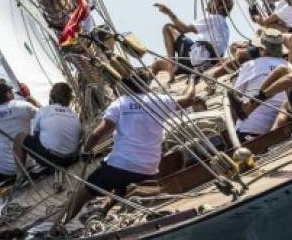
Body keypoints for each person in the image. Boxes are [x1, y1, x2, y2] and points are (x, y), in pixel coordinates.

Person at [53, 71, 196, 230]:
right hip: (150, 166)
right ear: (146, 83)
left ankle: (59, 227)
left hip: (123, 165)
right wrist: (191, 79)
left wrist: (86, 151)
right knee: (119, 181)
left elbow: (99, 132)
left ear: (124, 85)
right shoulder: (159, 100)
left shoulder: (120, 103)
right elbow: (189, 98)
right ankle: (104, 210)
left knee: (83, 193)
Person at [151, 0, 233, 82]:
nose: (209, 1)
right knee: (157, 64)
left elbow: (184, 28)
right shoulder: (224, 26)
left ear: (219, 5)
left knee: (168, 28)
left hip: (197, 59)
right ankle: (172, 66)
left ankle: (171, 71)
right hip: (202, 63)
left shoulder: (214, 18)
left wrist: (169, 12)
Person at [230, 29, 291, 138]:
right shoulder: (289, 66)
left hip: (251, 130)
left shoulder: (251, 65)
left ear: (262, 49)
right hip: (284, 126)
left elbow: (235, 96)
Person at [14, 82, 82, 172]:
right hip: (73, 158)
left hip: (54, 161)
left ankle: (20, 175)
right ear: (69, 98)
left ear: (51, 97)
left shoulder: (43, 111)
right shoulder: (73, 114)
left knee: (20, 137)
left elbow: (36, 136)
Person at [0, 79, 40, 184]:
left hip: (2, 169)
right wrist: (28, 96)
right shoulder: (24, 107)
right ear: (8, 93)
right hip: (27, 165)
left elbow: (4, 112)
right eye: (10, 91)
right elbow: (44, 114)